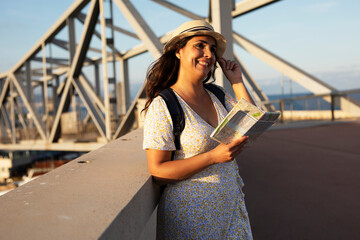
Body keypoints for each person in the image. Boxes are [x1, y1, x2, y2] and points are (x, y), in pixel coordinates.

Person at [143, 20, 254, 239]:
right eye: (200, 45)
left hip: (231, 210)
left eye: (212, 49)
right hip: (191, 220)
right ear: (179, 51)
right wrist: (213, 157)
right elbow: (158, 170)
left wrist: (237, 81)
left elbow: (251, 120)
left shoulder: (217, 95)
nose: (208, 54)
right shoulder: (164, 104)